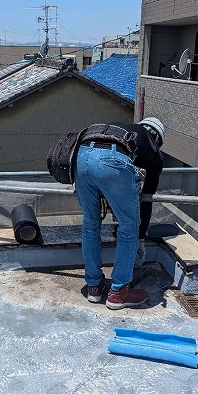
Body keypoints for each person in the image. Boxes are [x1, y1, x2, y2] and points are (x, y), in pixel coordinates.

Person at [74, 117, 164, 309]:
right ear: (158, 139)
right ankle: (119, 291)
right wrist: (140, 238)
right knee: (129, 226)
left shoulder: (123, 129)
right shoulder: (154, 151)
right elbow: (146, 200)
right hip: (111, 159)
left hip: (81, 156)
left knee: (90, 223)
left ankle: (94, 287)